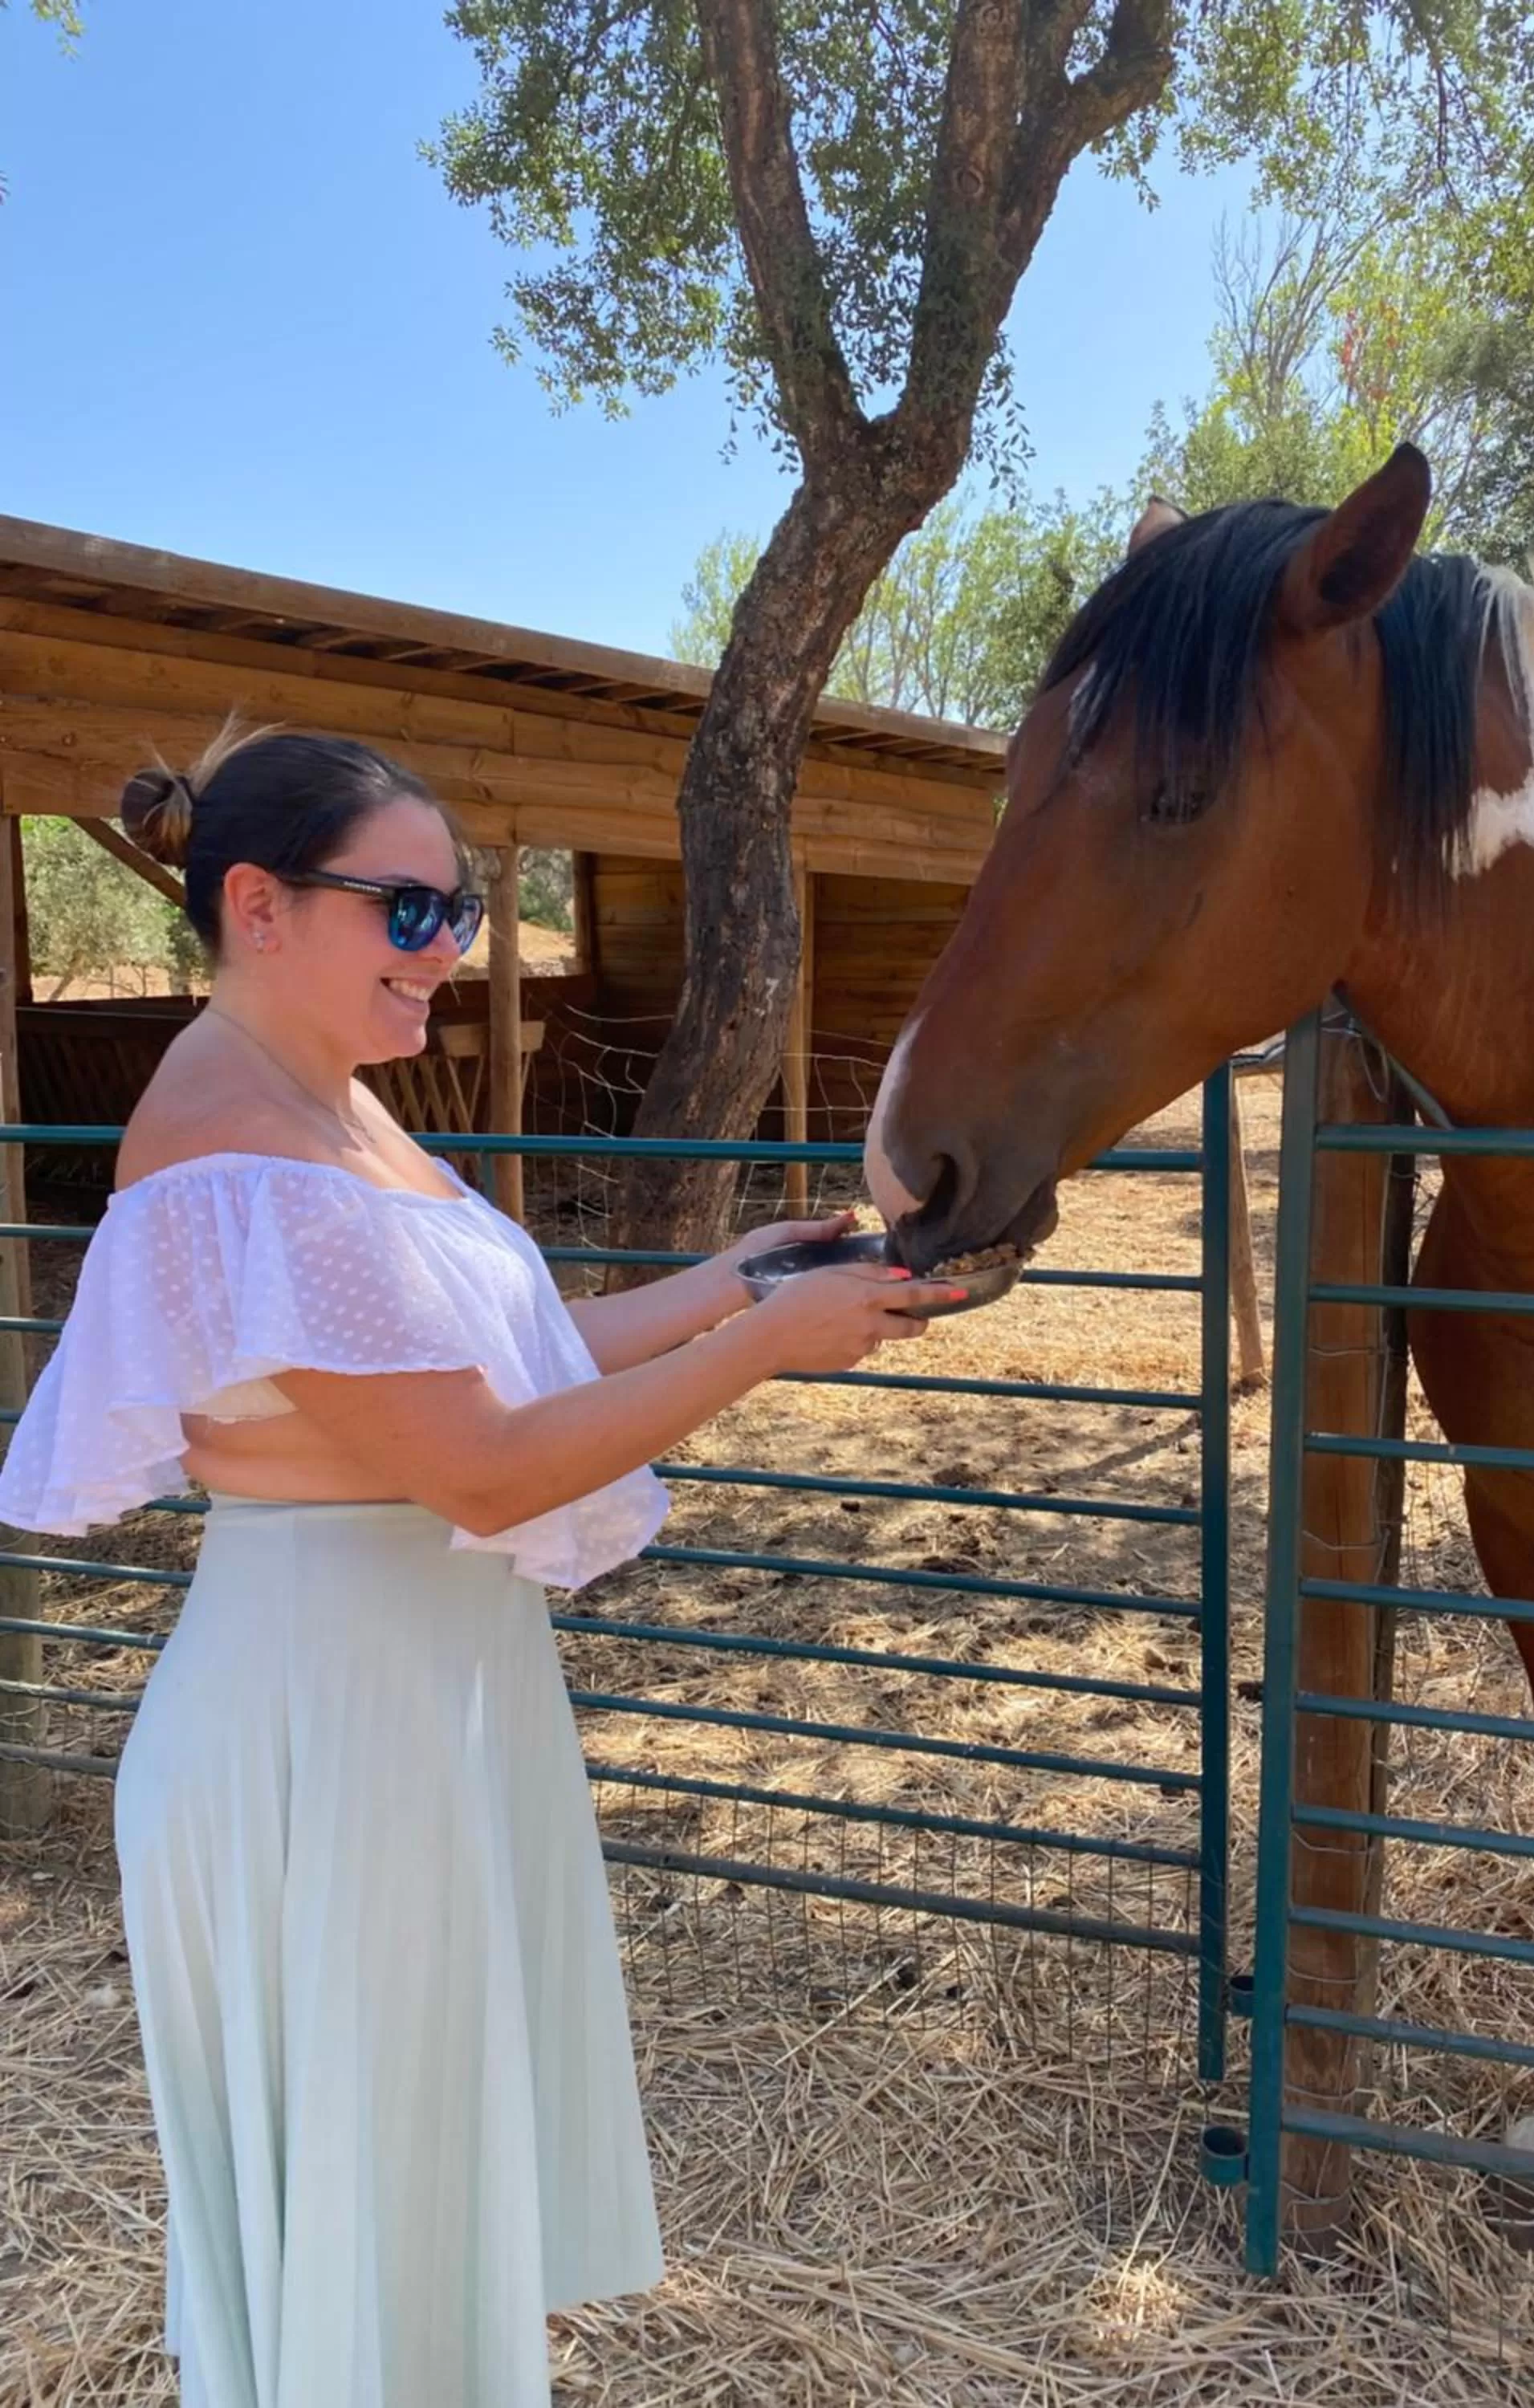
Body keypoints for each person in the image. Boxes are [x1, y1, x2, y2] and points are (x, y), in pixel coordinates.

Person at [0, 719, 957, 2407]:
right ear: (262, 906)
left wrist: (736, 1282)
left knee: (418, 2187)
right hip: (333, 1720)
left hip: (410, 1695)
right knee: (376, 2207)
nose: (455, 953)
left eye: (464, 913)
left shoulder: (334, 1115)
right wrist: (767, 1350)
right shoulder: (243, 1150)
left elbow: (511, 1358)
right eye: (416, 913)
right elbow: (490, 1463)